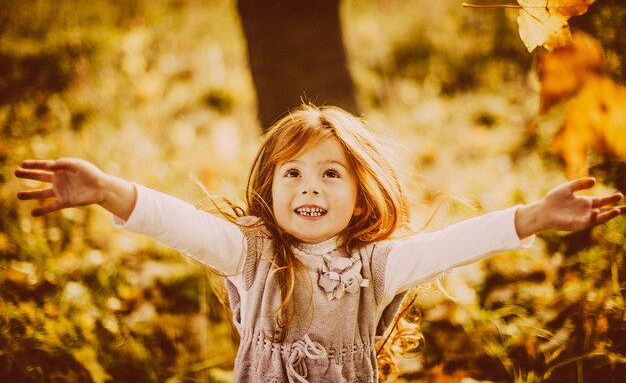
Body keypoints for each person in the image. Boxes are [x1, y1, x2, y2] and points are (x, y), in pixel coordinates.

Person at [15, 105, 625, 383]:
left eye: (331, 173)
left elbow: (453, 245)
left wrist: (534, 216)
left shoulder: (377, 266)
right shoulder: (251, 256)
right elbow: (182, 224)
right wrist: (108, 191)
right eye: (293, 173)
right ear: (271, 187)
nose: (311, 187)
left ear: (360, 196)